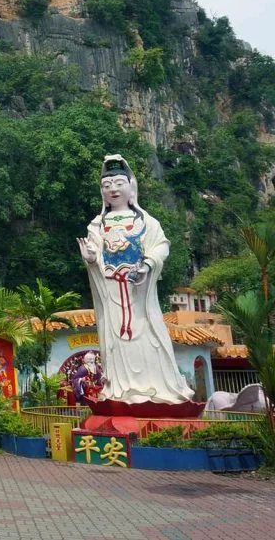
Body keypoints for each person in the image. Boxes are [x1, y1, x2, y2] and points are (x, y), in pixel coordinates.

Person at [77, 155, 194, 405]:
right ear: (102, 193)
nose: (114, 189)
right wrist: (90, 258)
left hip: (138, 293)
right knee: (116, 340)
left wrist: (148, 265)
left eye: (119, 183)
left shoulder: (146, 222)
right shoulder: (97, 226)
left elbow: (161, 246)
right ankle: (120, 390)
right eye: (107, 186)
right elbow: (95, 256)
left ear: (132, 187)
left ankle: (158, 390)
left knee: (149, 339)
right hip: (111, 291)